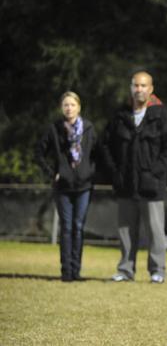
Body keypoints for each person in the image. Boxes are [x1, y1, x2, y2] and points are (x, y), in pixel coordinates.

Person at [101, 71, 167, 284]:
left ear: (151, 89)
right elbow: (106, 145)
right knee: (126, 231)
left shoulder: (162, 115)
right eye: (136, 85)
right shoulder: (120, 115)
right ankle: (125, 270)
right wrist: (115, 172)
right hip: (126, 184)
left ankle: (157, 270)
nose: (139, 89)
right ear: (131, 87)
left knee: (155, 231)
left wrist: (155, 171)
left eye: (143, 85)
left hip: (152, 185)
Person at [35, 91, 97, 282]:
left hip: (84, 186)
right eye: (65, 105)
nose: (69, 108)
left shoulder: (88, 128)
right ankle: (66, 272)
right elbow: (39, 153)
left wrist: (89, 171)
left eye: (72, 105)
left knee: (79, 227)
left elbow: (97, 153)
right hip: (62, 187)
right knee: (66, 228)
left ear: (79, 107)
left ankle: (76, 271)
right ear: (61, 108)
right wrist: (52, 172)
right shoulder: (54, 129)